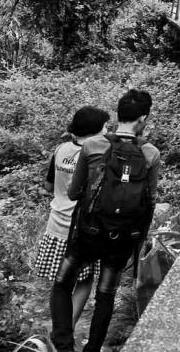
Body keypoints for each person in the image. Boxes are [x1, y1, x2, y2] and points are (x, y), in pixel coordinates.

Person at [49, 89, 161, 351]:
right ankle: (93, 349)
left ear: (118, 114)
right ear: (143, 118)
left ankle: (63, 343)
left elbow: (74, 192)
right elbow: (151, 201)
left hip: (88, 231)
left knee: (63, 282)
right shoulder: (151, 153)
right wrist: (139, 237)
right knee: (106, 293)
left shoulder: (92, 145)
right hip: (122, 237)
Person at [34, 107, 110, 330]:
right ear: (94, 131)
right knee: (84, 282)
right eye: (105, 127)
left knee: (61, 283)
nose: (107, 131)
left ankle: (58, 329)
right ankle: (65, 332)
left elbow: (48, 186)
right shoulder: (97, 154)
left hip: (56, 225)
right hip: (82, 229)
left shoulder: (60, 149)